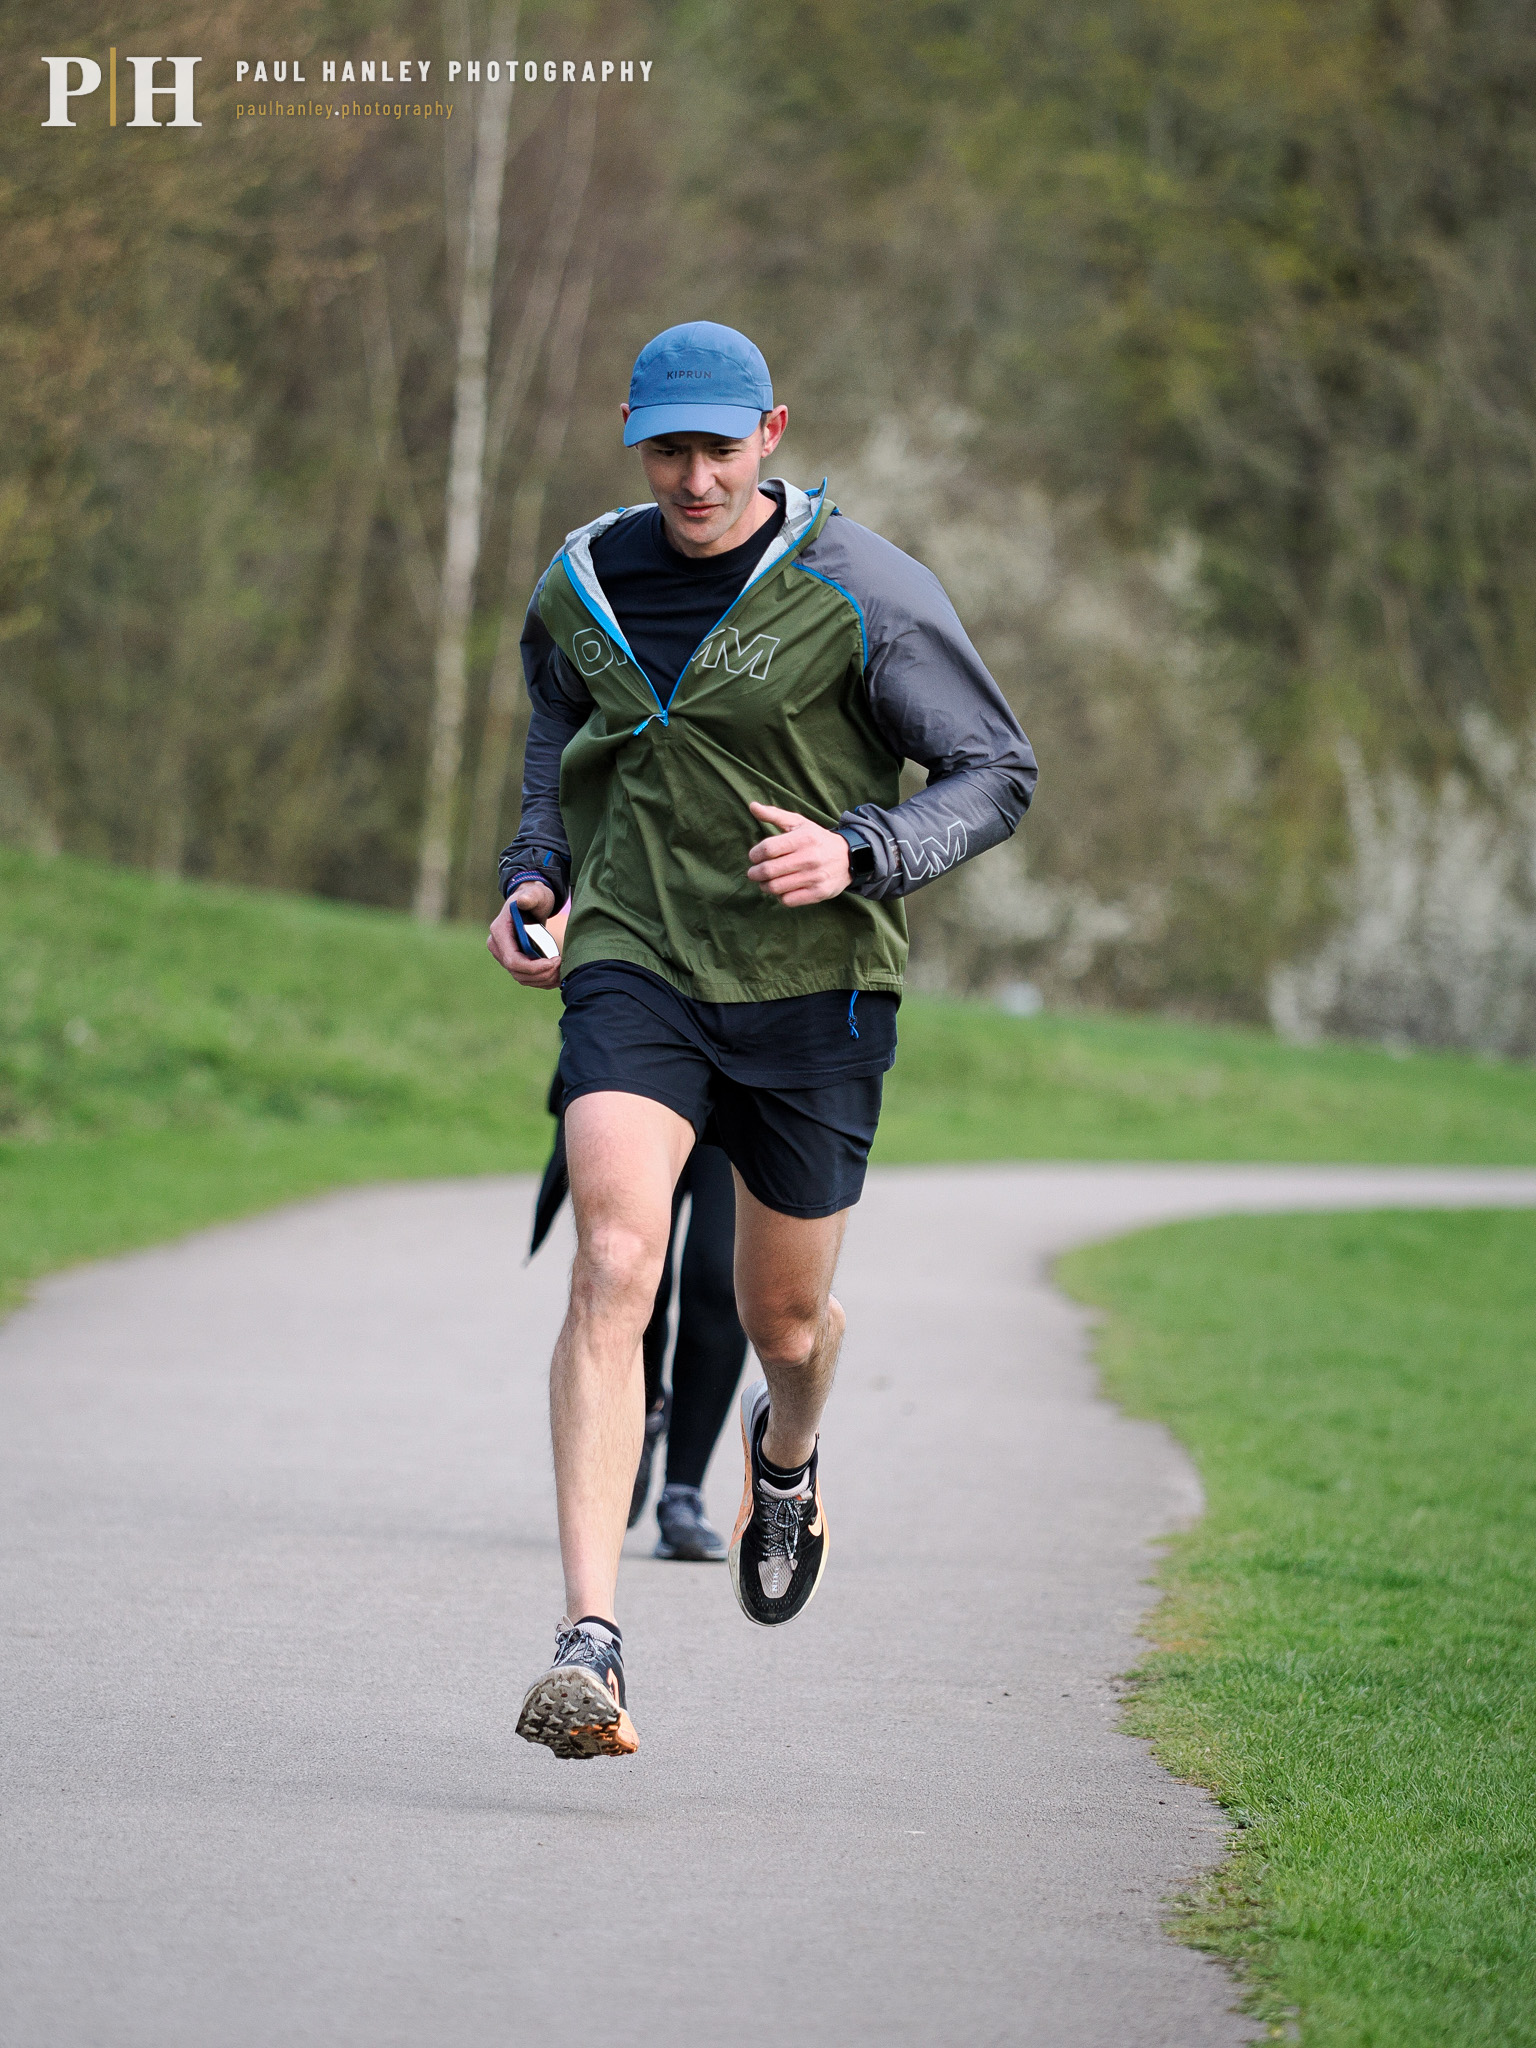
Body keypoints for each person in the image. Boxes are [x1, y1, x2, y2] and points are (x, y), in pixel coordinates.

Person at [489, 320, 1037, 1759]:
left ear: (772, 436)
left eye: (717, 448)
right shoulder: (585, 578)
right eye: (665, 448)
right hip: (638, 954)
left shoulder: (863, 589)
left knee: (786, 1323)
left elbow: (995, 769)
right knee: (617, 1255)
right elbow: (559, 719)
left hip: (815, 988)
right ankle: (589, 1645)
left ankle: (783, 1457)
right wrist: (535, 869)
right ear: (633, 439)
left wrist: (866, 852)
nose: (690, 476)